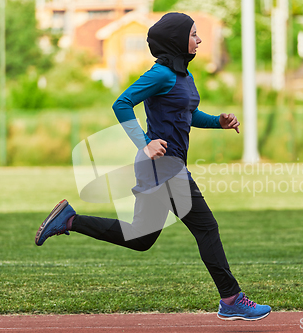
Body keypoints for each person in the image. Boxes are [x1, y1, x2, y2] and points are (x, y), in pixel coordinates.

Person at [35, 12, 271, 321]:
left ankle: (70, 220)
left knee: (141, 238)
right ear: (176, 40)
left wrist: (218, 122)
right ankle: (231, 299)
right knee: (207, 228)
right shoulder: (161, 74)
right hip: (164, 167)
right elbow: (121, 103)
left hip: (161, 168)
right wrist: (145, 142)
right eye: (193, 34)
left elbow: (188, 114)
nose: (199, 39)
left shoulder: (183, 76)